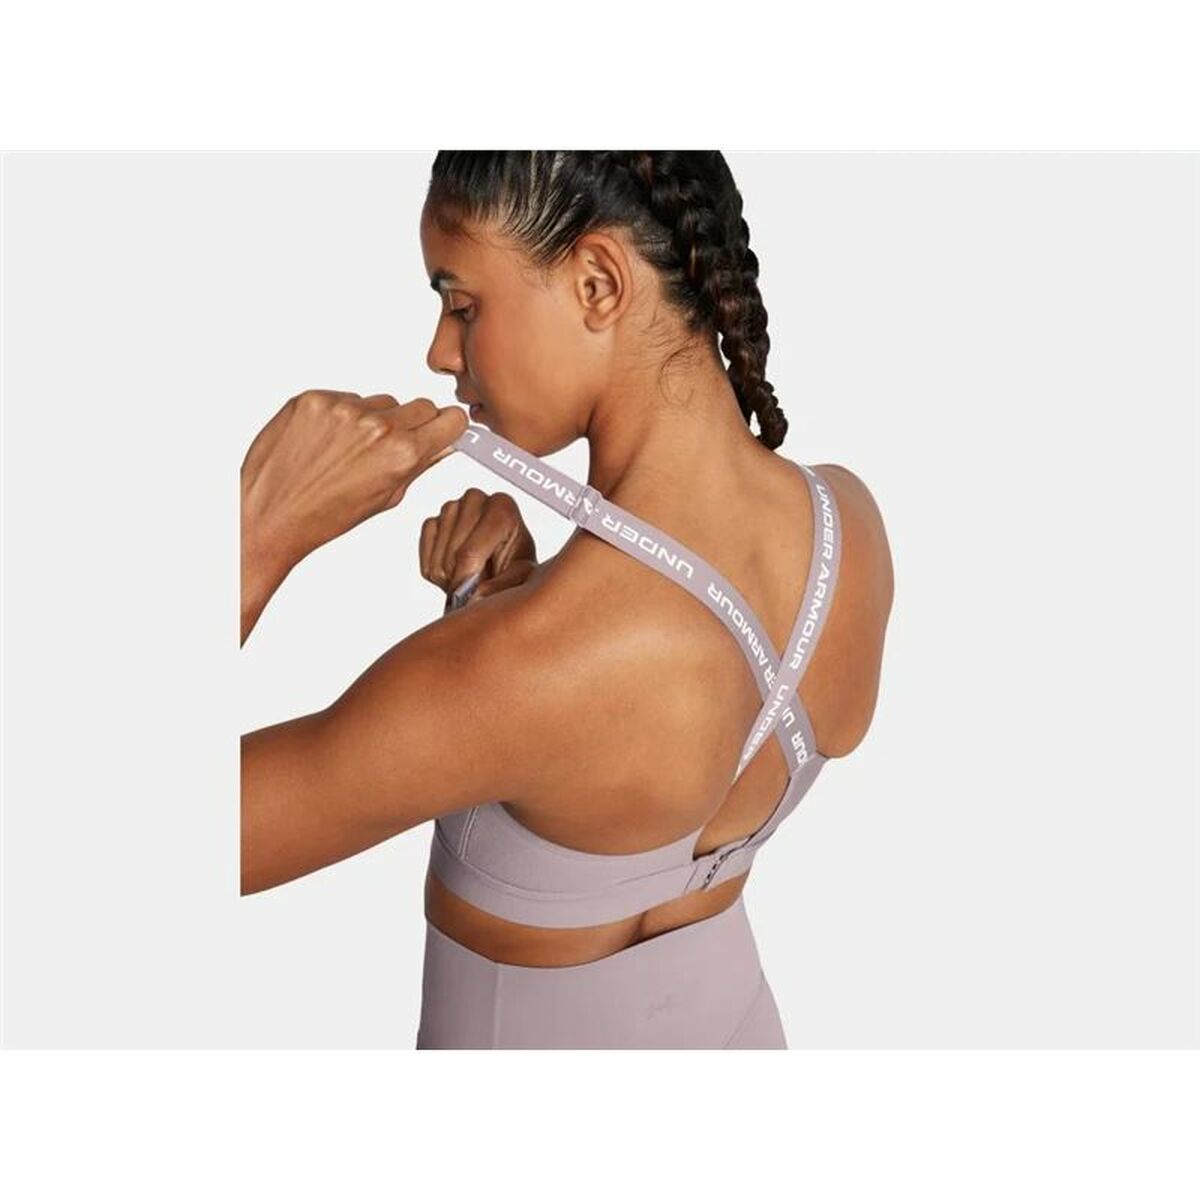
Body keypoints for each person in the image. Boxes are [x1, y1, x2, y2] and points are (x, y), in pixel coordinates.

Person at [240, 151, 895, 1048]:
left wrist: (257, 533)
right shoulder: (846, 522)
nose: (439, 352)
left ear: (597, 283)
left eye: (463, 305)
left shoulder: (523, 667)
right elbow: (655, 673)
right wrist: (519, 592)